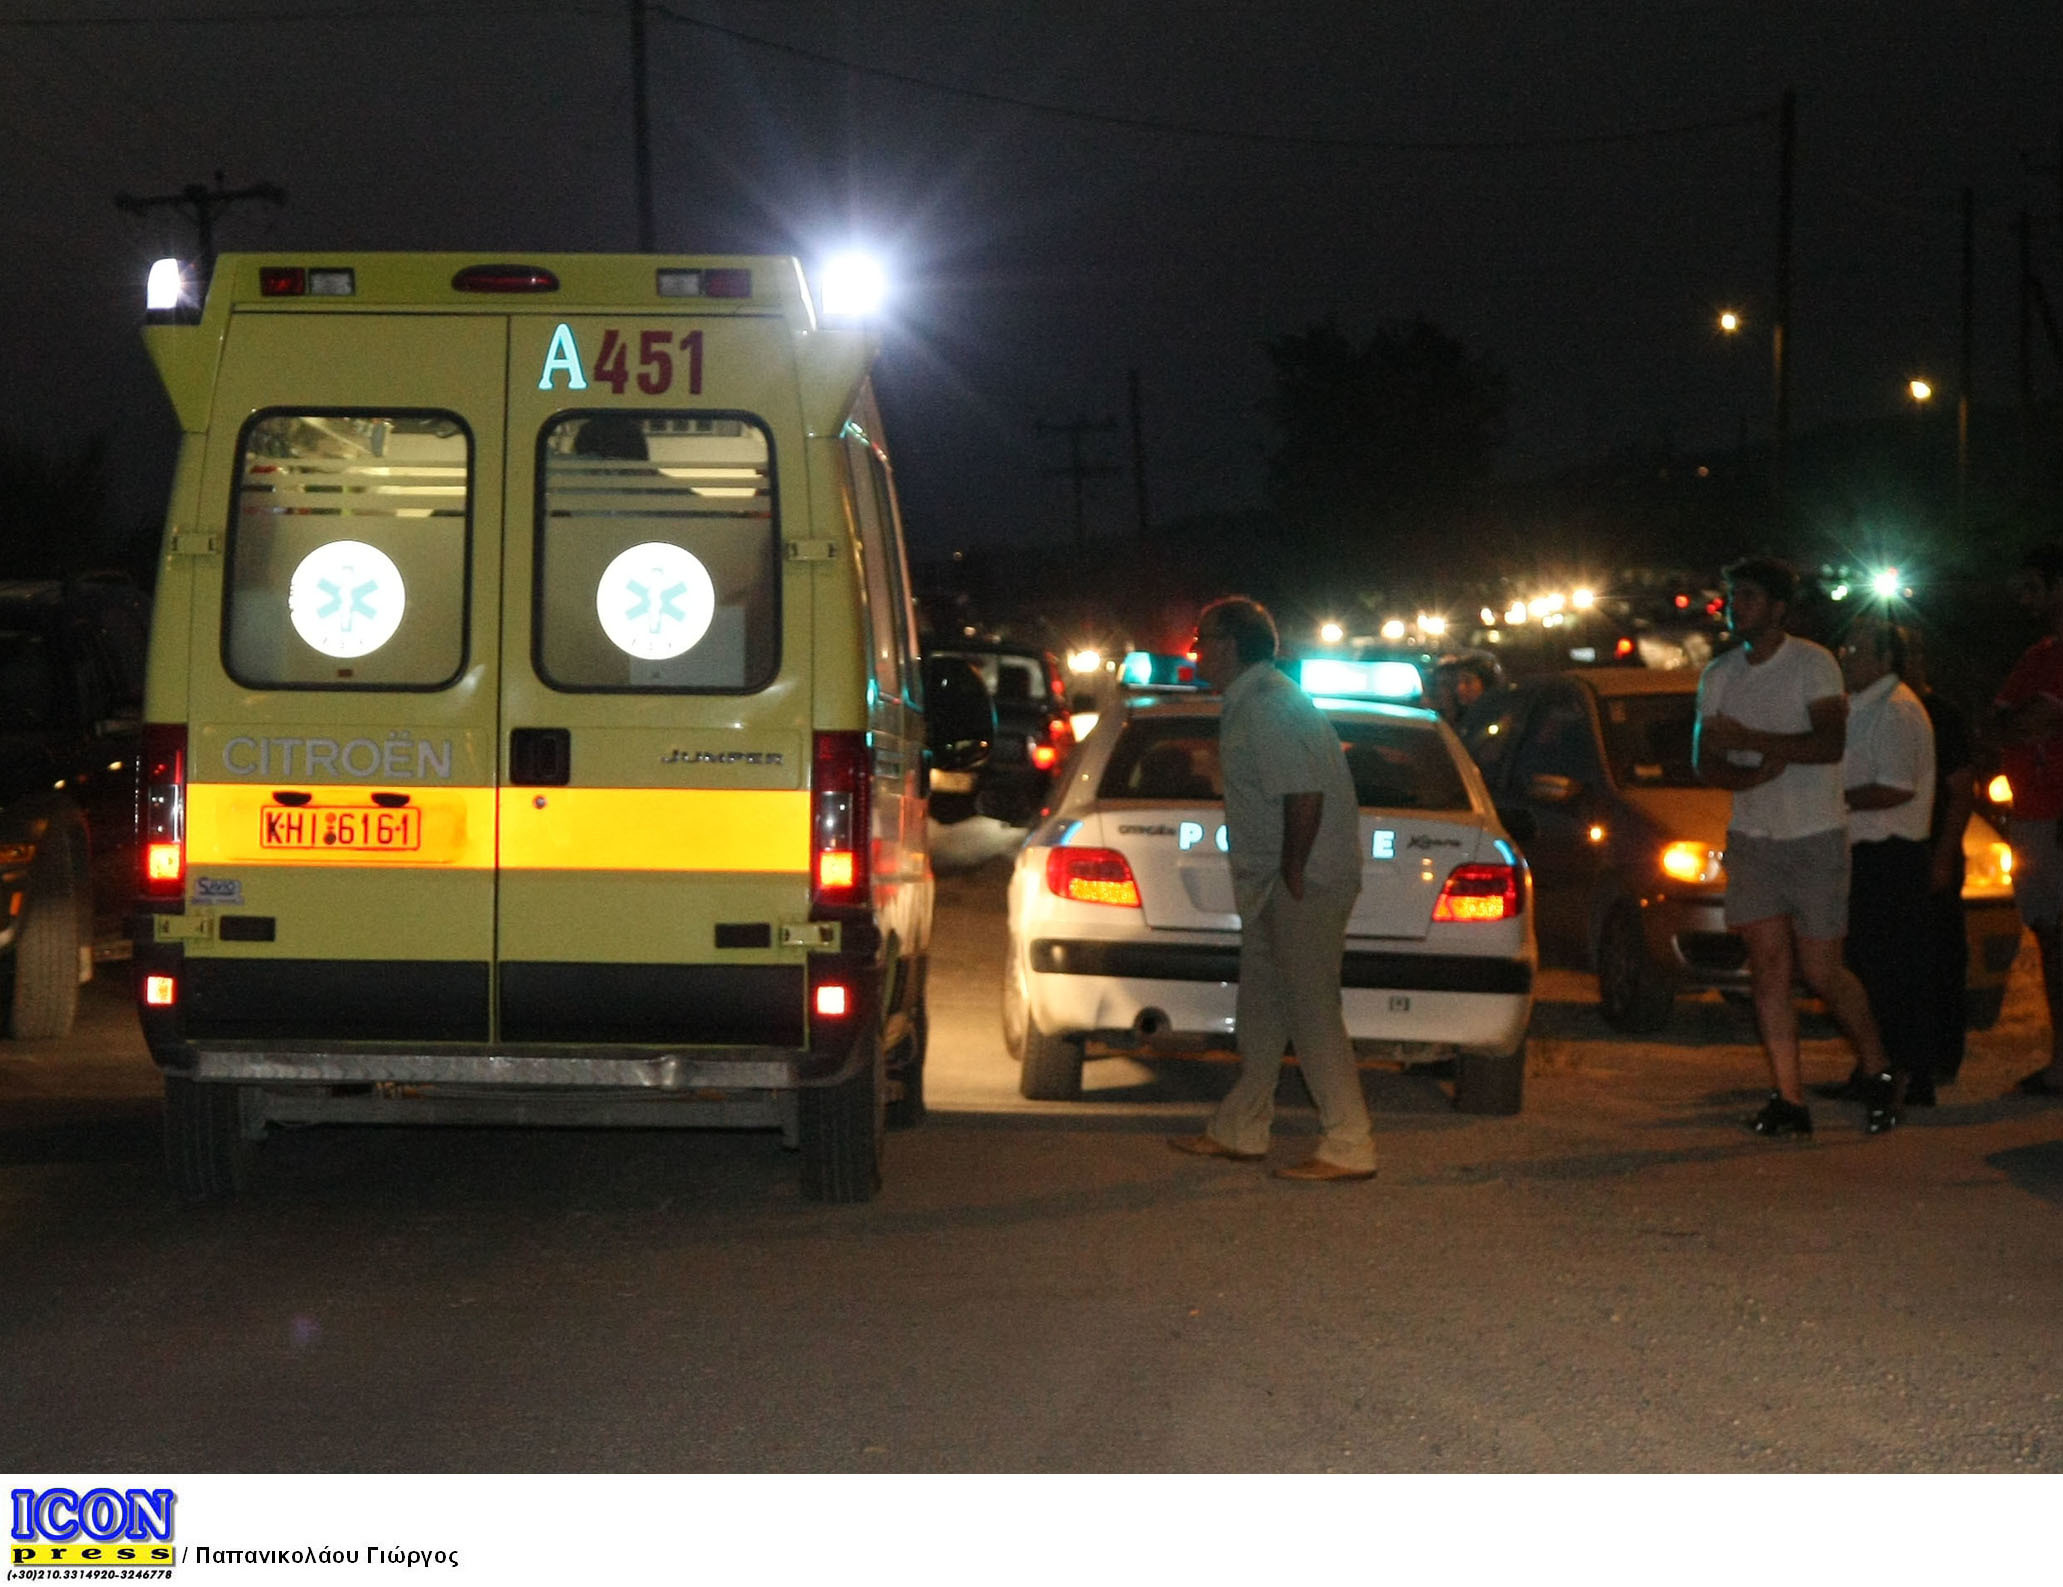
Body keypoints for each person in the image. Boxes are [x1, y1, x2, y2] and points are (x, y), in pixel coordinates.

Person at [1168, 596, 1378, 1182]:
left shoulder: (1266, 704)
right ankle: (1241, 1128)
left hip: (1299, 882)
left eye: (1202, 640)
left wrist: (1291, 871)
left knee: (1311, 1011)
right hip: (1275, 882)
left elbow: (1304, 794)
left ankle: (1349, 1144)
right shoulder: (1256, 701)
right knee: (1261, 1009)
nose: (1195, 652)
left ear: (1231, 646)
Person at [1695, 555, 1891, 1137]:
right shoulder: (1720, 674)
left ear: (1779, 608)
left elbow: (1828, 743)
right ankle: (1789, 1097)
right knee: (1768, 970)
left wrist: (1752, 742)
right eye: (1734, 596)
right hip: (1754, 838)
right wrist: (1748, 773)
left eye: (1750, 596)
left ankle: (1880, 1070)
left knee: (1822, 970)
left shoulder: (1813, 664)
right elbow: (1706, 759)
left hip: (1813, 835)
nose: (1738, 607)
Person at [1816, 615, 1935, 1133]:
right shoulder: (1864, 707)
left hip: (1891, 854)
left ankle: (1902, 1073)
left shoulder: (1898, 711)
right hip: (1868, 851)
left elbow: (1896, 787)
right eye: (1846, 647)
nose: (1847, 657)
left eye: (1860, 650)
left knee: (1889, 970)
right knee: (1867, 966)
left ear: (1887, 660)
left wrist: (1831, 799)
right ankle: (1874, 1069)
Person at [1991, 543, 2063, 1097]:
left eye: (2034, 587)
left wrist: (2026, 720)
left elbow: (2019, 722)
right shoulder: (2036, 656)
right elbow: (2000, 725)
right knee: (2048, 939)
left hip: (2053, 815)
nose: (2023, 600)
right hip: (2034, 813)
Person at [1901, 628, 1975, 1096]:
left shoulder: (1940, 717)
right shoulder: (1881, 711)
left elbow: (1962, 791)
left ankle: (1937, 1060)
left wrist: (1944, 857)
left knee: (1938, 960)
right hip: (1898, 848)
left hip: (1931, 848)